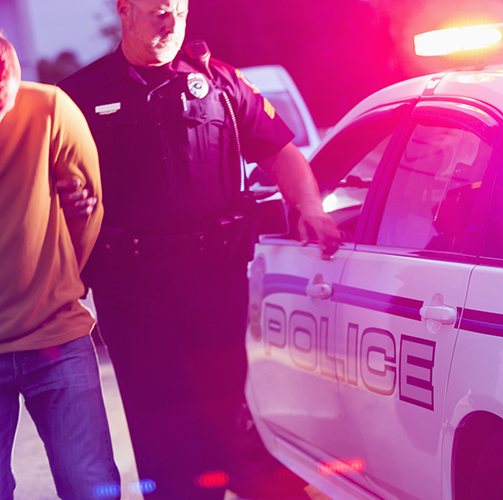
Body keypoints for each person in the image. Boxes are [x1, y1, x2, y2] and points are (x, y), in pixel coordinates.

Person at [58, 1, 340, 499]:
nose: (171, 24)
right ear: (125, 10)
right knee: (163, 434)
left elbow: (280, 152)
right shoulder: (78, 95)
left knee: (232, 423)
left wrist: (311, 208)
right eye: (158, 12)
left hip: (217, 282)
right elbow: (49, 181)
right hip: (133, 290)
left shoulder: (220, 83)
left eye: (179, 13)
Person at [0, 35, 120, 500]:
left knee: (89, 484)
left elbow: (87, 212)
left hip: (56, 338)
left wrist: (54, 280)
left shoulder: (51, 109)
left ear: (12, 69)